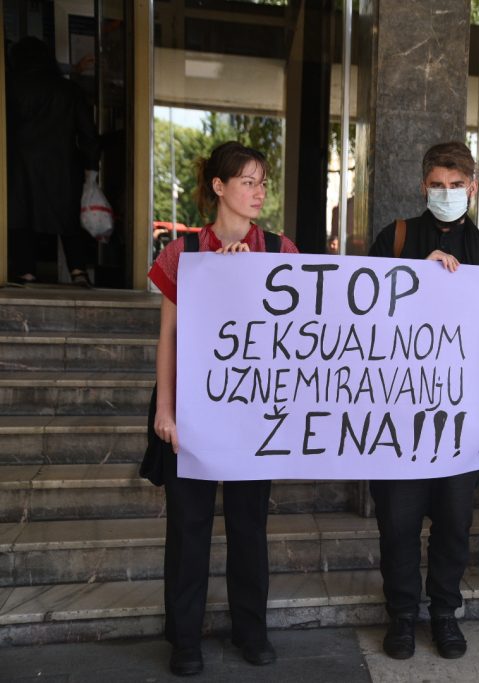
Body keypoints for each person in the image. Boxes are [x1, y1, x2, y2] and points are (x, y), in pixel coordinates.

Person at [149, 141, 297, 676]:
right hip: (191, 413)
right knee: (187, 529)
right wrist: (165, 410)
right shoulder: (184, 254)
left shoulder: (280, 250)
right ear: (219, 187)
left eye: (262, 183)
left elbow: (299, 334)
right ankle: (184, 639)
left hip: (252, 415)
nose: (259, 193)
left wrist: (249, 276)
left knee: (249, 526)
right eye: (248, 182)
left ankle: (250, 632)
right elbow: (168, 337)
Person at [366, 141, 479, 660]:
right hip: (399, 413)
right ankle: (402, 616)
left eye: (456, 185)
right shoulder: (396, 237)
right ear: (423, 185)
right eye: (437, 184)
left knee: (455, 521)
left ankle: (445, 614)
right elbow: (362, 313)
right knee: (399, 521)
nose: (447, 193)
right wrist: (414, 273)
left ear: (472, 187)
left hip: (461, 417)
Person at [6, 36, 100, 286]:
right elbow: (88, 133)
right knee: (68, 218)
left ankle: (27, 271)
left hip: (19, 165)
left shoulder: (10, 88)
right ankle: (78, 270)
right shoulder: (69, 90)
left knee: (21, 215)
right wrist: (92, 168)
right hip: (64, 166)